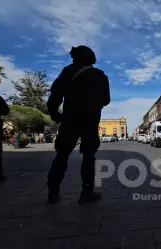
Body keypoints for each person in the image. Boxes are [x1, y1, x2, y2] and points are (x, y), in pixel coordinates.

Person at [46, 45, 111, 205]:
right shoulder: (100, 76)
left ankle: (53, 191)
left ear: (74, 57)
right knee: (89, 156)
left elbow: (55, 95)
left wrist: (55, 114)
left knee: (62, 155)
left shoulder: (67, 72)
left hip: (70, 120)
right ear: (91, 59)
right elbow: (106, 100)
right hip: (90, 121)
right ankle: (86, 192)